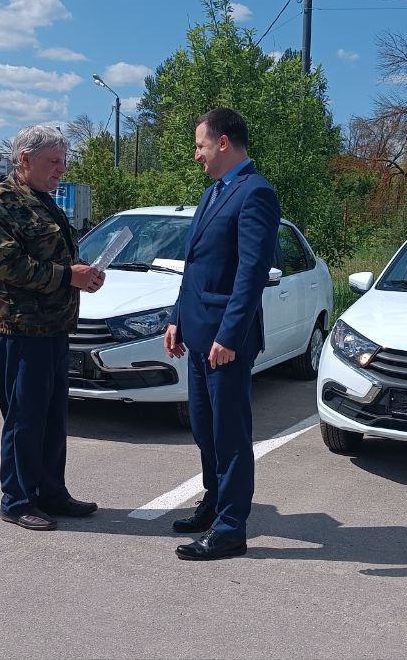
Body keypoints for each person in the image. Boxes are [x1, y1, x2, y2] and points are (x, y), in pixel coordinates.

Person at [165, 107, 281, 561]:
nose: (197, 155)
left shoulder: (256, 194)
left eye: (200, 145)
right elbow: (196, 265)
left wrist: (230, 335)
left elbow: (251, 273)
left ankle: (231, 528)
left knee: (230, 435)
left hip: (224, 343)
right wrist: (176, 317)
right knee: (205, 429)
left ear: (224, 143)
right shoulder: (216, 191)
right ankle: (214, 503)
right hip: (197, 333)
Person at [0, 125, 106, 531]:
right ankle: (17, 500)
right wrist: (70, 277)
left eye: (63, 162)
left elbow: (60, 255)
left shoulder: (43, 200)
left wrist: (87, 275)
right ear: (25, 160)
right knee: (25, 418)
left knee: (52, 416)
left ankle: (51, 492)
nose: (61, 170)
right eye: (54, 162)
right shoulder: (0, 202)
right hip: (19, 329)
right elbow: (6, 265)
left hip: (53, 328)